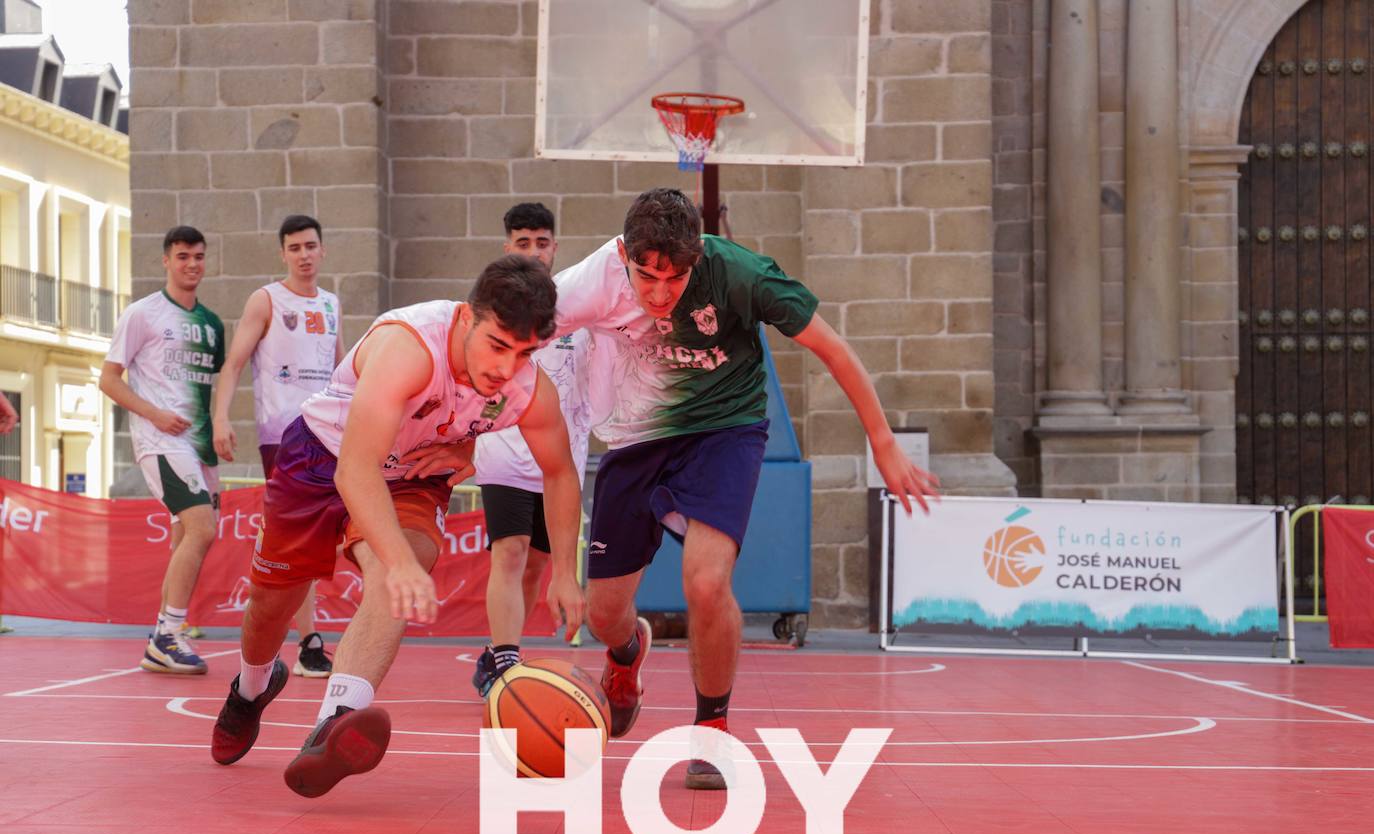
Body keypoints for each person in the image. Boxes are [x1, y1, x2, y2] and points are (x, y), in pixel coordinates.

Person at [553, 188, 940, 789]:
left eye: (674, 279)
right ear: (624, 254)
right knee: (604, 615)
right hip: (634, 437)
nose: (658, 294)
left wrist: (882, 442)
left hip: (724, 430)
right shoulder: (587, 283)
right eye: (645, 277)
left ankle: (712, 732)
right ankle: (626, 653)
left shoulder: (741, 274)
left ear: (698, 257)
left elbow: (831, 349)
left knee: (706, 581)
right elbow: (513, 329)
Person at [209, 254, 587, 798]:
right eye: (498, 345)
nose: (507, 368)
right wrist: (402, 563)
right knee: (273, 603)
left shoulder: (527, 386)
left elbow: (560, 474)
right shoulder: (411, 347)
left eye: (525, 352)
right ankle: (250, 688)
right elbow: (355, 469)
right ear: (466, 318)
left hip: (412, 473)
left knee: (395, 572)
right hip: (325, 456)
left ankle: (332, 725)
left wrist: (566, 574)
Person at [470, 203, 604, 695]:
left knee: (535, 566)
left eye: (541, 242)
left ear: (554, 247)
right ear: (508, 247)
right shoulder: (494, 311)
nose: (532, 251)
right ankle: (505, 663)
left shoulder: (581, 314)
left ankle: (499, 651)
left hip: (558, 461)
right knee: (510, 551)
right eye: (522, 243)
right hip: (503, 451)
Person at [211, 214, 342, 677]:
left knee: (325, 538)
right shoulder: (266, 300)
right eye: (294, 248)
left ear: (322, 250)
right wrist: (220, 417)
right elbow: (233, 364)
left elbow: (343, 370)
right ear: (283, 253)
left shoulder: (330, 305)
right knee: (297, 542)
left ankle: (308, 637)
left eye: (310, 246)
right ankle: (306, 641)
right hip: (285, 438)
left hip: (330, 437)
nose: (304, 255)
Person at [100, 226, 226, 675]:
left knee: (187, 536)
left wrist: (219, 432)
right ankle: (168, 634)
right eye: (182, 256)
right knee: (201, 527)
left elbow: (208, 389)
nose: (191, 264)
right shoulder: (142, 314)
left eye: (198, 256)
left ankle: (163, 635)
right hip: (160, 440)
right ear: (166, 261)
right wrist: (154, 414)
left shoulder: (211, 325)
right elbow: (109, 379)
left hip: (198, 446)